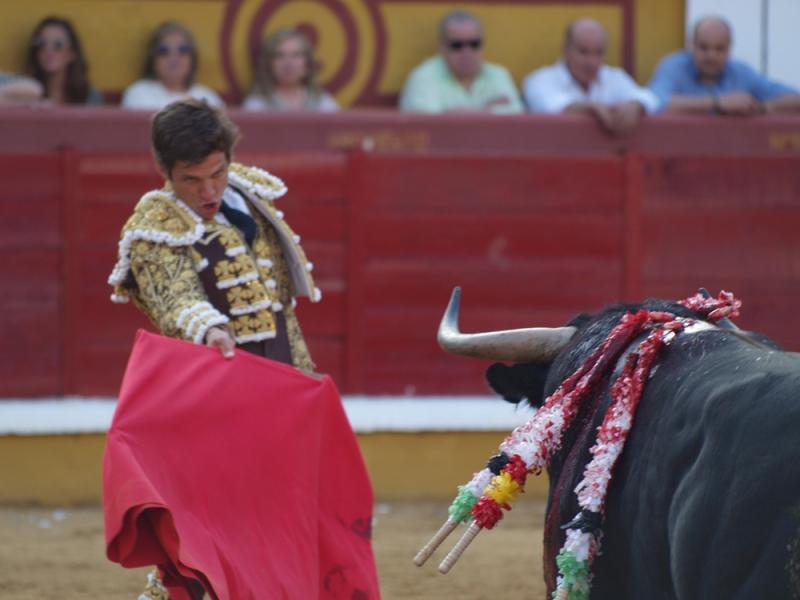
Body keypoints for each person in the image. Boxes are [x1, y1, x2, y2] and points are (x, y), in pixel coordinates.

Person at [108, 99, 320, 597]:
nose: (207, 191)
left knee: (276, 520)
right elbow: (173, 296)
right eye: (190, 180)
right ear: (164, 171)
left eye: (216, 173)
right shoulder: (154, 223)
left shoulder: (251, 196)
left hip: (277, 386)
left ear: (229, 157)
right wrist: (209, 330)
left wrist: (305, 380)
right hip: (212, 394)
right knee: (199, 533)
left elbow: (279, 307)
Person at [522, 18, 658, 136]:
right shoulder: (540, 79)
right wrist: (590, 108)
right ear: (565, 50)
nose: (592, 62)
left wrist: (636, 105)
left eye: (599, 53)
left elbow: (650, 99)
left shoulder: (615, 77)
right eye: (583, 51)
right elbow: (548, 105)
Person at [648, 15, 800, 115]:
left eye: (719, 49)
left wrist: (760, 108)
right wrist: (717, 103)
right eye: (704, 47)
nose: (711, 55)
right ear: (691, 46)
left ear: (729, 50)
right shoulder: (674, 66)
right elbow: (654, 103)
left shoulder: (740, 72)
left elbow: (795, 99)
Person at [399, 10, 523, 114]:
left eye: (474, 44)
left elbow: (516, 120)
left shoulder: (498, 75)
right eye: (457, 45)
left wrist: (455, 115)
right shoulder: (423, 77)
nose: (467, 53)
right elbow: (430, 127)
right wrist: (485, 111)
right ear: (442, 46)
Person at [122, 21, 224, 110]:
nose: (174, 57)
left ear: (192, 57)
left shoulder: (207, 97)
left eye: (183, 49)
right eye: (164, 50)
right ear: (152, 59)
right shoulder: (139, 93)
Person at [242, 28, 338, 112]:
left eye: (296, 55)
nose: (289, 64)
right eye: (279, 56)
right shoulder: (256, 105)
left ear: (307, 63)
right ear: (268, 64)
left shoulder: (324, 103)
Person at [25, 16, 103, 105]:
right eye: (41, 43)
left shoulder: (90, 97)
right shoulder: (23, 91)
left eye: (58, 44)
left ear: (72, 53)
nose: (48, 51)